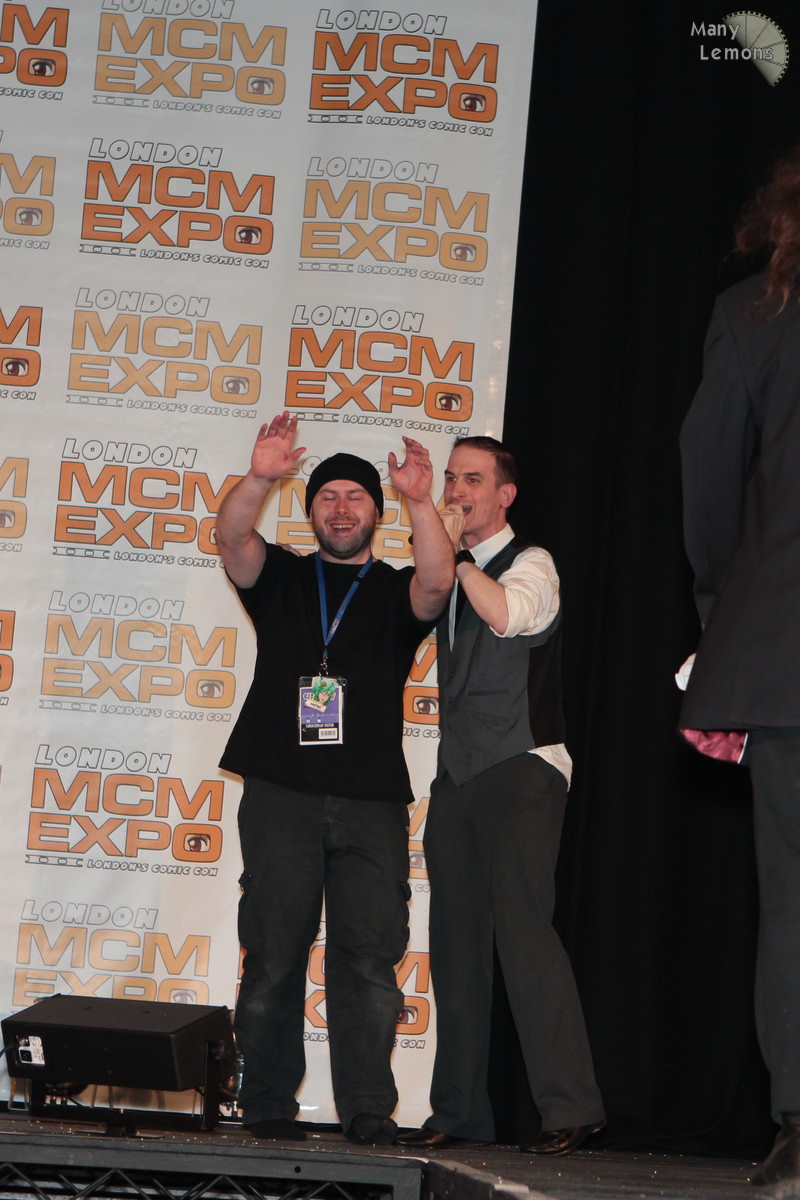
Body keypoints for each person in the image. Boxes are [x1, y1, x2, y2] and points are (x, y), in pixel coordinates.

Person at [216, 413, 454, 1145]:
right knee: (273, 954)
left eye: (356, 498)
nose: (342, 509)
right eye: (327, 497)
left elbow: (439, 582)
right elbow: (231, 538)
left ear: (376, 515)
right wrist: (258, 477)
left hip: (371, 801)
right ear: (310, 510)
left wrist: (421, 500)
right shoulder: (281, 577)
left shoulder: (393, 591)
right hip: (280, 793)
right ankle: (265, 1103)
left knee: (369, 961)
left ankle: (368, 1108)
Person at [396, 436, 605, 1155]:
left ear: (505, 494)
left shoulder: (531, 562)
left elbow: (511, 615)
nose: (459, 491)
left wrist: (460, 559)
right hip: (458, 779)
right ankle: (458, 1112)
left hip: (523, 769)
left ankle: (571, 1106)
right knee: (456, 948)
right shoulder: (447, 568)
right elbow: (423, 596)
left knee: (524, 935)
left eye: (473, 480)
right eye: (452, 479)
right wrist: (427, 518)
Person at [679, 144, 800, 1191]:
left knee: (795, 898)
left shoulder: (753, 316)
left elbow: (709, 483)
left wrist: (727, 622)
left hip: (784, 655)